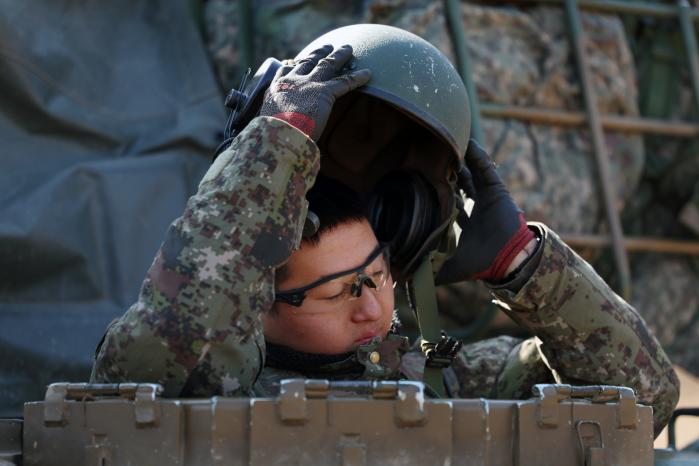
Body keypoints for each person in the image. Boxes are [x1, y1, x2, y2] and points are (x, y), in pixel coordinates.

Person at [91, 27, 679, 437]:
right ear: (257, 295)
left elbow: (645, 401)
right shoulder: (206, 387)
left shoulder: (442, 379)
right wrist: (271, 150)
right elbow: (146, 370)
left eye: (377, 276)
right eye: (339, 291)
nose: (375, 311)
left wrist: (526, 265)